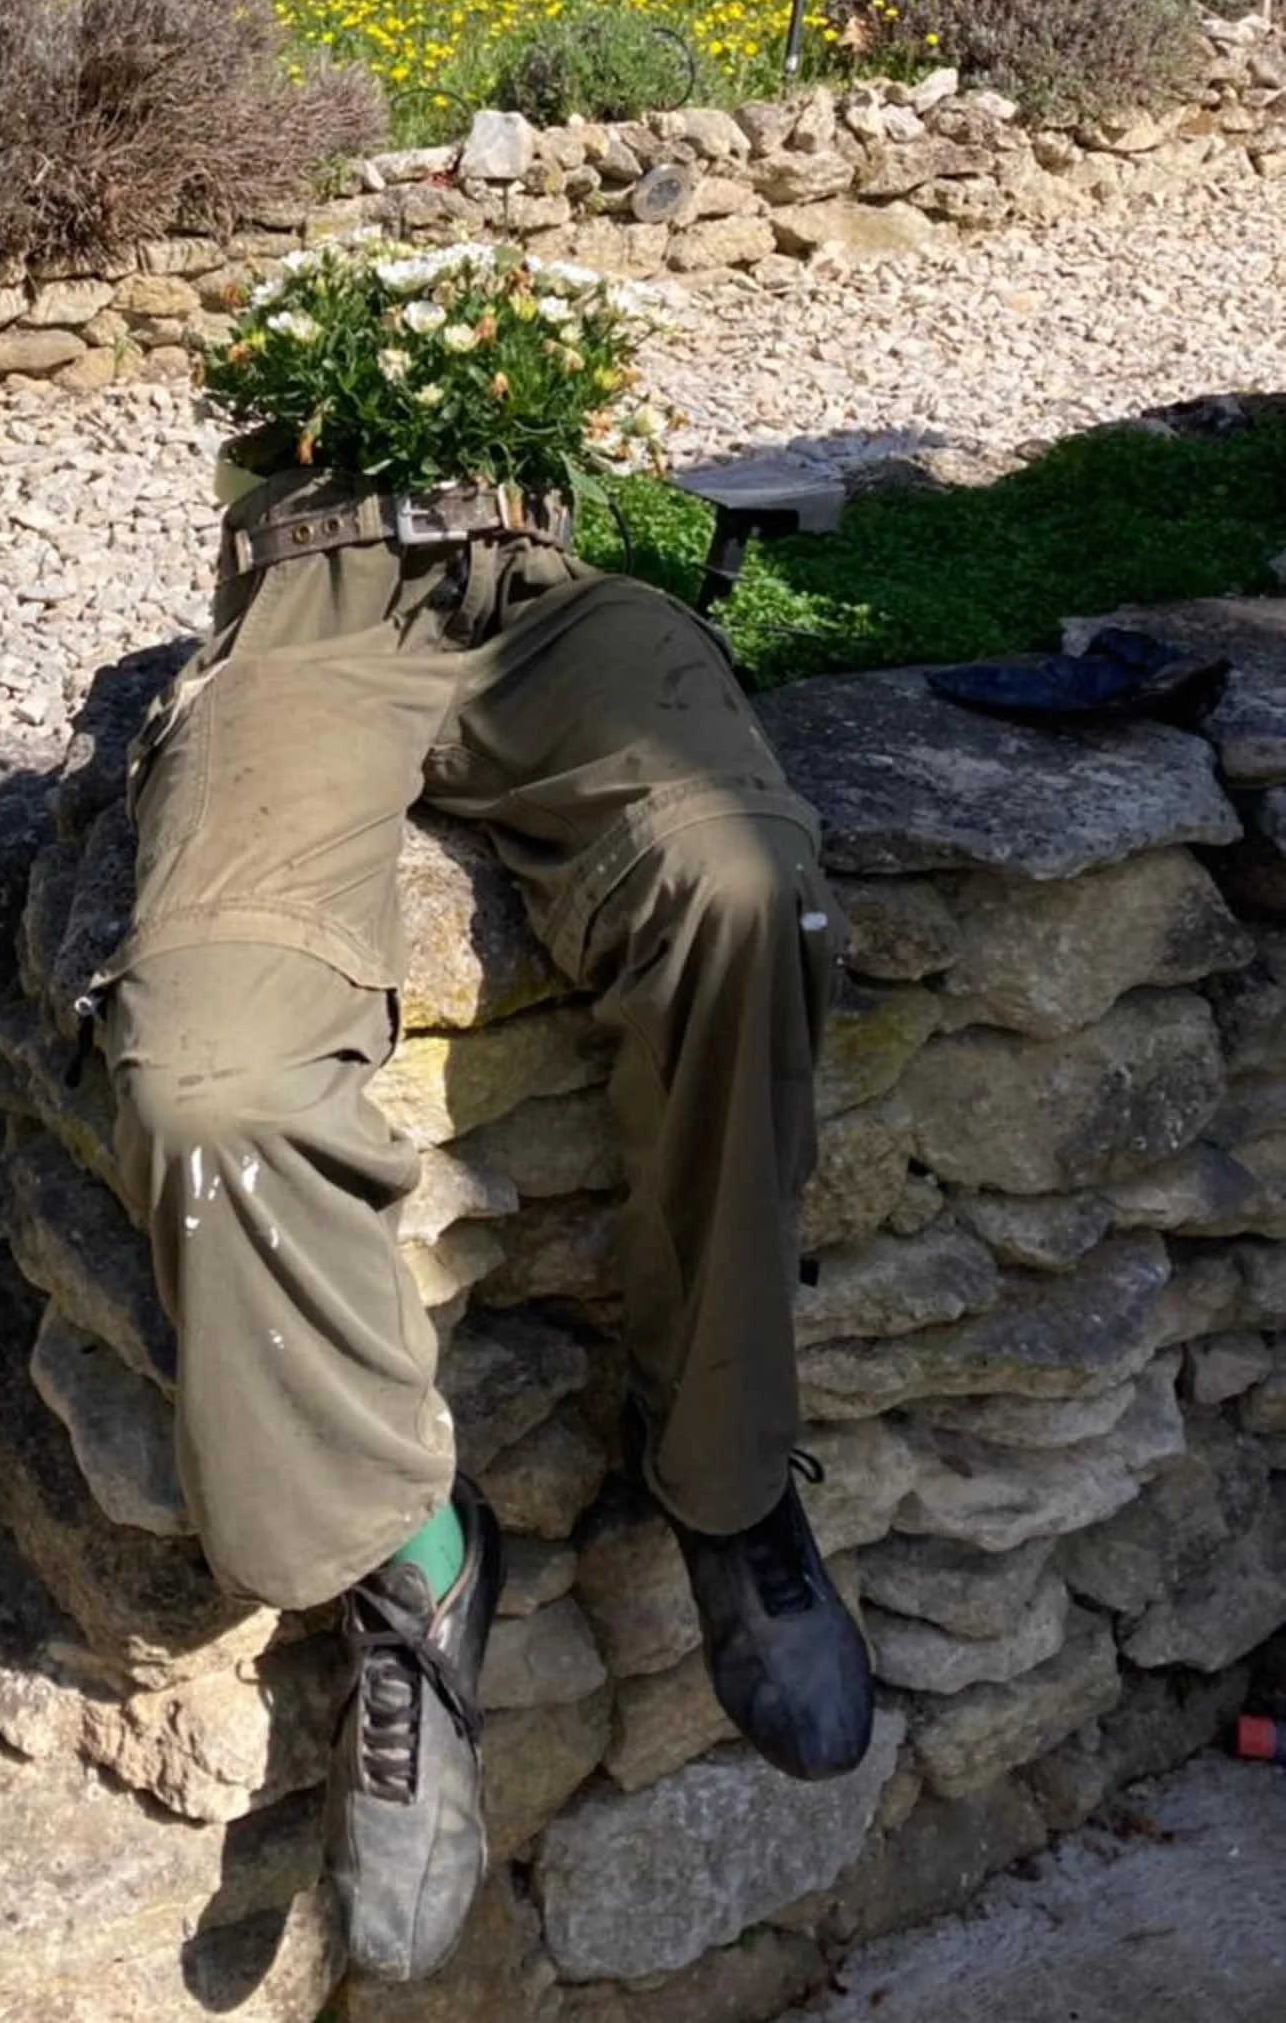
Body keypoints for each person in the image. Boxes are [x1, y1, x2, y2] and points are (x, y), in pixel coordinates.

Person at [88, 457, 874, 1984]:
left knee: (747, 896)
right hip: (303, 620)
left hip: (547, 599)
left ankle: (724, 1476)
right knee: (205, 1083)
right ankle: (414, 1562)